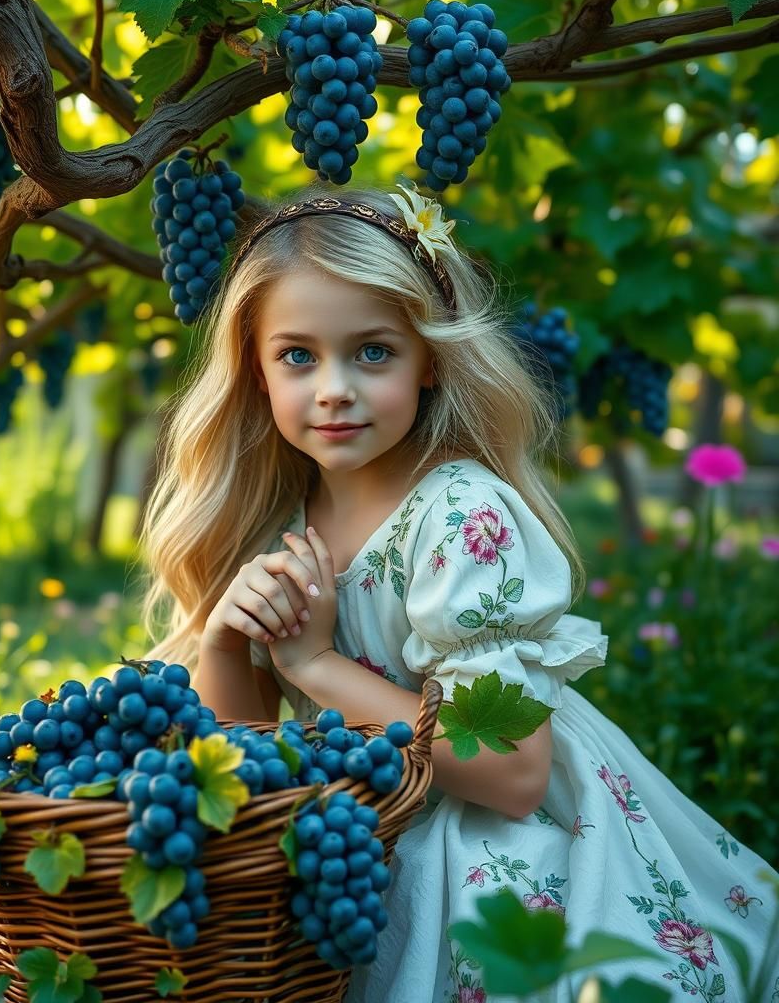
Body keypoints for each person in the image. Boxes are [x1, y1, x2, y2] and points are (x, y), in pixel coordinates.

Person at [138, 180, 779, 1001]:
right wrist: (230, 644)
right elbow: (241, 755)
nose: (334, 387)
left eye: (373, 351)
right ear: (256, 372)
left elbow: (512, 769)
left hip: (498, 851)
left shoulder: (461, 515)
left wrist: (316, 664)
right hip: (362, 840)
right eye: (298, 355)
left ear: (430, 358)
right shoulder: (280, 521)